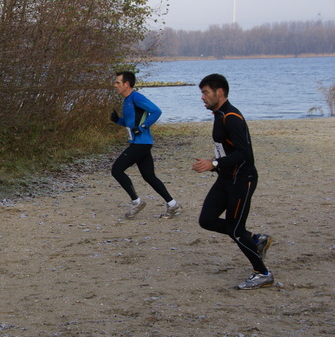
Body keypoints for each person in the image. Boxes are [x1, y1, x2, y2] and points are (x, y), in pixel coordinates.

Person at [192, 74, 273, 290]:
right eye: (202, 93)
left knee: (236, 230)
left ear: (219, 92)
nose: (202, 97)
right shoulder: (219, 115)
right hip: (226, 178)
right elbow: (227, 149)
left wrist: (215, 163)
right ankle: (255, 240)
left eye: (205, 92)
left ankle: (262, 273)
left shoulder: (232, 117)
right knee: (207, 220)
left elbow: (245, 153)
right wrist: (214, 164)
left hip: (242, 180)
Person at [110, 71, 182, 219]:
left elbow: (156, 111)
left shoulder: (136, 97)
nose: (115, 85)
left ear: (127, 84)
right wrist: (118, 120)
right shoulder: (127, 100)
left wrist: (143, 126)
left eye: (118, 82)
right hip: (140, 143)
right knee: (149, 176)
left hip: (140, 144)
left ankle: (136, 201)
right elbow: (130, 124)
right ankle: (172, 204)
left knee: (117, 170)